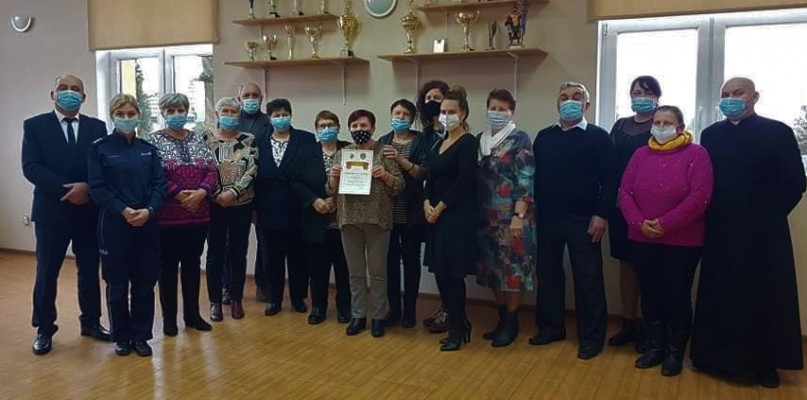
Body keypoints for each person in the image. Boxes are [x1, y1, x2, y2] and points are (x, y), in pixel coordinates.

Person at [691, 77, 806, 388]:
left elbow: (795, 183)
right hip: (719, 228)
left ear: (755, 97)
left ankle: (764, 363)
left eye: (737, 93)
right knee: (720, 291)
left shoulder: (777, 132)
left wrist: (767, 216)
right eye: (725, 94)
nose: (730, 98)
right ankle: (712, 356)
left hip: (763, 233)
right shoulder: (710, 134)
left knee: (762, 294)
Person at [619, 105, 713, 376]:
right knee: (650, 293)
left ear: (680, 128)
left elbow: (700, 197)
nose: (661, 127)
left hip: (683, 241)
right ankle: (654, 347)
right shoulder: (640, 154)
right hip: (642, 237)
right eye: (657, 122)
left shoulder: (697, 154)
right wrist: (640, 223)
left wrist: (665, 224)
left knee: (676, 295)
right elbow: (625, 192)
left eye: (667, 123)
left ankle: (674, 352)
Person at [22, 74, 110, 355]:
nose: (69, 93)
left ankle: (91, 322)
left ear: (84, 96)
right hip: (51, 211)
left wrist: (87, 187)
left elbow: (102, 164)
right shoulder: (35, 126)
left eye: (75, 89)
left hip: (88, 210)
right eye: (63, 88)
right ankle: (44, 328)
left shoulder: (97, 127)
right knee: (47, 271)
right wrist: (68, 190)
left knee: (89, 269)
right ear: (53, 95)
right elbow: (31, 167)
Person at [530, 82, 617, 360]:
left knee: (588, 277)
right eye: (564, 97)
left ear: (586, 105)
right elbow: (534, 176)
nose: (570, 101)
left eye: (576, 97)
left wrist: (602, 214)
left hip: (585, 219)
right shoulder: (544, 137)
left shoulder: (599, 137)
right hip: (547, 216)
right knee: (548, 274)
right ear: (557, 103)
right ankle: (551, 328)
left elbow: (611, 179)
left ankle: (591, 338)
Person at [87, 94, 167, 357]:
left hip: (146, 223)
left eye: (131, 114)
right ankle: (121, 336)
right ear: (112, 116)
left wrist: (149, 210)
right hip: (114, 224)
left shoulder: (148, 149)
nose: (126, 118)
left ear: (138, 116)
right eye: (120, 114)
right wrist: (122, 210)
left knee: (144, 283)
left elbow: (160, 185)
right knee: (117, 283)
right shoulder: (99, 148)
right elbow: (97, 187)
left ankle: (141, 336)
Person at [327, 109, 405, 338]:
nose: (359, 130)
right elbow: (329, 190)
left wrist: (386, 176)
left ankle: (379, 317)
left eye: (363, 126)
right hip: (349, 219)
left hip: (377, 219)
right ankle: (358, 315)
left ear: (373, 128)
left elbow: (400, 186)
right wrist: (333, 178)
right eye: (354, 126)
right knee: (355, 272)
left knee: (378, 272)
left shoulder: (385, 152)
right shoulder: (342, 154)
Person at [149, 93, 218, 336]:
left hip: (199, 214)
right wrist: (178, 194)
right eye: (171, 111)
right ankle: (169, 319)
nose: (177, 114)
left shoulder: (199, 138)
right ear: (163, 113)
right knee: (167, 267)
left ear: (187, 111)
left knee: (192, 264)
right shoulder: (153, 141)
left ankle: (192, 315)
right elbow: (154, 175)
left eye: (181, 110)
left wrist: (201, 192)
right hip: (168, 216)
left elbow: (212, 170)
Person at [476, 89, 535, 348]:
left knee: (513, 271)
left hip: (512, 217)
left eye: (503, 109)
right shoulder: (480, 140)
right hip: (485, 218)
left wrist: (519, 216)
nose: (497, 113)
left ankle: (511, 321)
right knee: (492, 270)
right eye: (493, 108)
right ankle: (501, 318)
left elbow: (525, 178)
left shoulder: (519, 139)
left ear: (512, 112)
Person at [608, 76, 662, 352]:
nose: (641, 96)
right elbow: (609, 163)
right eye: (637, 92)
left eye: (647, 92)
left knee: (650, 267)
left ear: (657, 98)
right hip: (620, 207)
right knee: (626, 265)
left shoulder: (662, 126)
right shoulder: (620, 126)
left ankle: (650, 326)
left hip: (651, 210)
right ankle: (628, 322)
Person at [424, 87, 478, 351]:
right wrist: (426, 203)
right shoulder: (438, 142)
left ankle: (457, 326)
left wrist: (440, 207)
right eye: (443, 111)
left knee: (453, 273)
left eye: (451, 112)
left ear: (463, 114)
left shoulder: (468, 142)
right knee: (440, 271)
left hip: (456, 215)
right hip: (434, 215)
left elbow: (464, 181)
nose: (446, 116)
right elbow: (430, 176)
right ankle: (460, 321)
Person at [254, 98, 316, 316]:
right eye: (276, 115)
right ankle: (274, 299)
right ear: (269, 118)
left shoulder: (306, 139)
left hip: (298, 207)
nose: (281, 118)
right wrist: (254, 209)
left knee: (299, 257)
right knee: (271, 258)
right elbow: (254, 177)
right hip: (268, 208)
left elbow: (310, 173)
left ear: (291, 115)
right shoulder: (258, 141)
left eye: (285, 114)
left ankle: (298, 298)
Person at [291, 110, 351, 325]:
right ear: (316, 130)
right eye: (322, 126)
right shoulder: (306, 152)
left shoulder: (349, 150)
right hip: (315, 218)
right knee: (317, 267)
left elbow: (358, 180)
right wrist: (314, 200)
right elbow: (296, 181)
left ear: (338, 127)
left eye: (330, 125)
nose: (327, 129)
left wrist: (336, 199)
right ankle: (318, 306)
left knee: (344, 267)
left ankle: (344, 306)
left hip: (343, 219)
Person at [203, 97, 258, 322]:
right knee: (215, 254)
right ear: (217, 114)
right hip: (214, 204)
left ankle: (236, 299)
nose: (229, 115)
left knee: (238, 253)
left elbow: (252, 169)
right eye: (224, 111)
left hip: (241, 204)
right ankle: (215, 302)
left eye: (233, 112)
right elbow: (203, 169)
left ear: (239, 115)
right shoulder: (205, 139)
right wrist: (217, 194)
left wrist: (233, 192)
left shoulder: (249, 139)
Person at [378, 99, 428, 328]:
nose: (400, 118)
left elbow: (422, 173)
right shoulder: (383, 141)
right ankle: (394, 309)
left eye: (405, 115)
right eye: (396, 113)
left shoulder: (420, 141)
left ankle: (409, 311)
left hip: (412, 212)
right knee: (389, 263)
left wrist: (399, 159)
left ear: (412, 118)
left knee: (411, 262)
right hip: (387, 211)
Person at [415, 80, 452, 333]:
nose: (432, 102)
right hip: (429, 204)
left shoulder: (459, 134)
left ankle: (453, 312)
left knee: (450, 263)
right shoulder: (425, 136)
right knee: (437, 262)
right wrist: (427, 202)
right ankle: (445, 306)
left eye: (437, 98)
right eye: (428, 98)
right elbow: (424, 171)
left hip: (452, 205)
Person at [235, 82, 271, 303]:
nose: (251, 99)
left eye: (255, 95)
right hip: (235, 191)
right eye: (246, 95)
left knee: (264, 242)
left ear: (261, 98)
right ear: (239, 98)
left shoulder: (269, 121)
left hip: (263, 189)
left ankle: (263, 284)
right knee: (233, 243)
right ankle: (230, 287)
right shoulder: (230, 120)